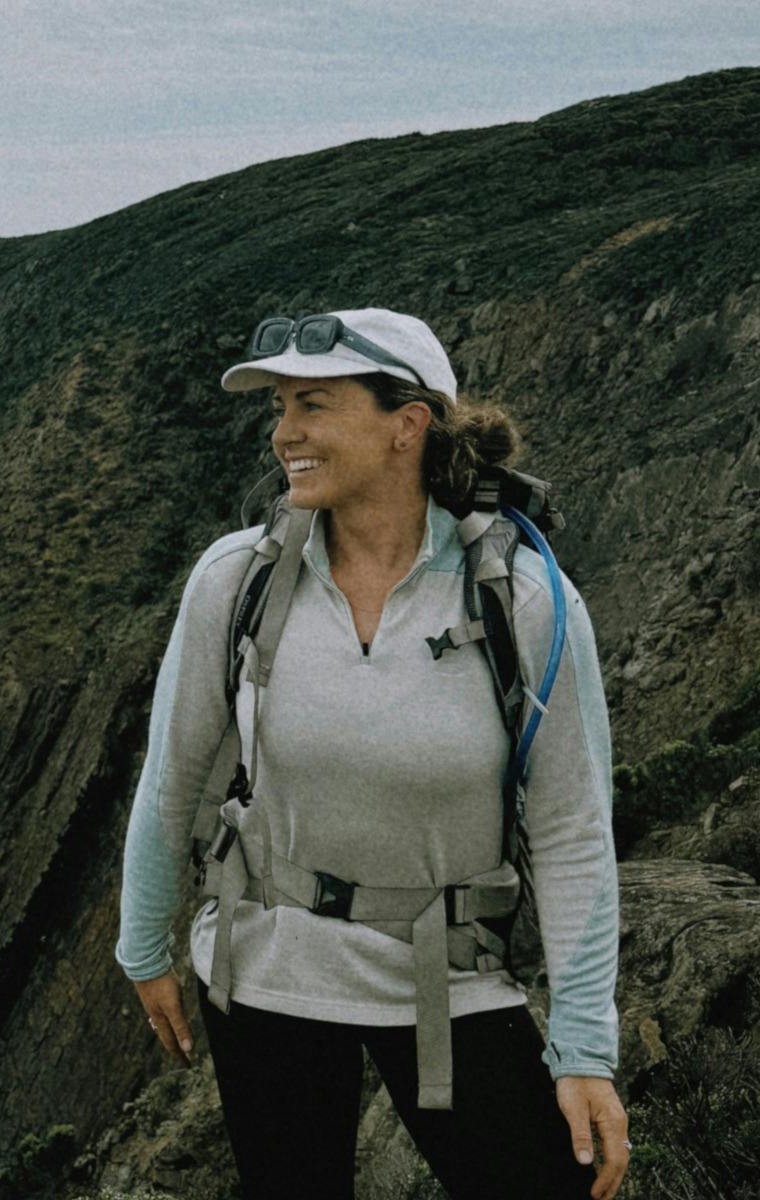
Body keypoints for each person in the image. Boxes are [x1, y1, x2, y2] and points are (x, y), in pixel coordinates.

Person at [113, 309, 628, 1200]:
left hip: (451, 975)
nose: (284, 434)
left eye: (312, 404)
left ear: (408, 423)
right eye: (279, 408)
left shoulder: (527, 601)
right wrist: (142, 944)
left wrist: (584, 1048)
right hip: (263, 964)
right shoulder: (235, 580)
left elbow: (575, 830)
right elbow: (173, 777)